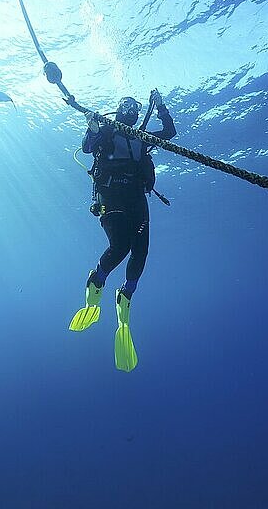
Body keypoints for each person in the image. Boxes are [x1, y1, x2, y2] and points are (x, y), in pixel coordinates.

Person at [69, 90, 176, 371]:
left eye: (135, 107)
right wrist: (92, 127)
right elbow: (88, 146)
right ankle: (97, 283)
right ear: (117, 109)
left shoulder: (141, 137)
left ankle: (125, 296)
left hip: (136, 199)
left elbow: (169, 131)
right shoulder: (106, 130)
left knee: (141, 250)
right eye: (126, 105)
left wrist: (162, 106)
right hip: (110, 196)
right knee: (121, 246)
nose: (130, 110)